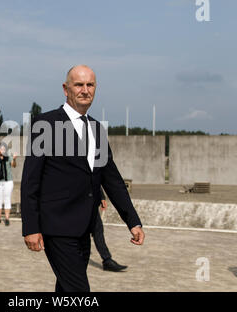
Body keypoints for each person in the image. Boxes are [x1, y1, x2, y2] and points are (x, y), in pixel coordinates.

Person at [21, 65, 145, 292]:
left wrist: (133, 221)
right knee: (78, 291)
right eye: (79, 84)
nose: (85, 90)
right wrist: (30, 226)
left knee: (67, 289)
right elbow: (30, 180)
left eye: (90, 85)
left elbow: (112, 179)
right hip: (56, 228)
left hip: (85, 228)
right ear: (65, 89)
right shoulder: (45, 124)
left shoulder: (97, 129)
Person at [92, 189, 128, 272]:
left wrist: (101, 197)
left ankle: (107, 260)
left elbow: (93, 178)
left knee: (98, 231)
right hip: (75, 204)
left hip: (91, 204)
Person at [0, 142, 17, 226]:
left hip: (8, 181)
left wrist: (14, 159)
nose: (3, 150)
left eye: (4, 149)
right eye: (1, 149)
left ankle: (7, 218)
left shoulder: (8, 157)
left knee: (7, 199)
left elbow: (14, 165)